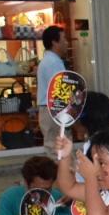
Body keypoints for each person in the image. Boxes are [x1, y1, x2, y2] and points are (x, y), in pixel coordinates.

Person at [36, 25, 69, 157]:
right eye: (64, 39)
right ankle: (61, 177)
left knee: (57, 147)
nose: (66, 43)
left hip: (50, 110)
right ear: (55, 42)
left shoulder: (51, 60)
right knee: (58, 150)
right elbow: (60, 90)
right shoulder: (53, 62)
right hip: (54, 110)